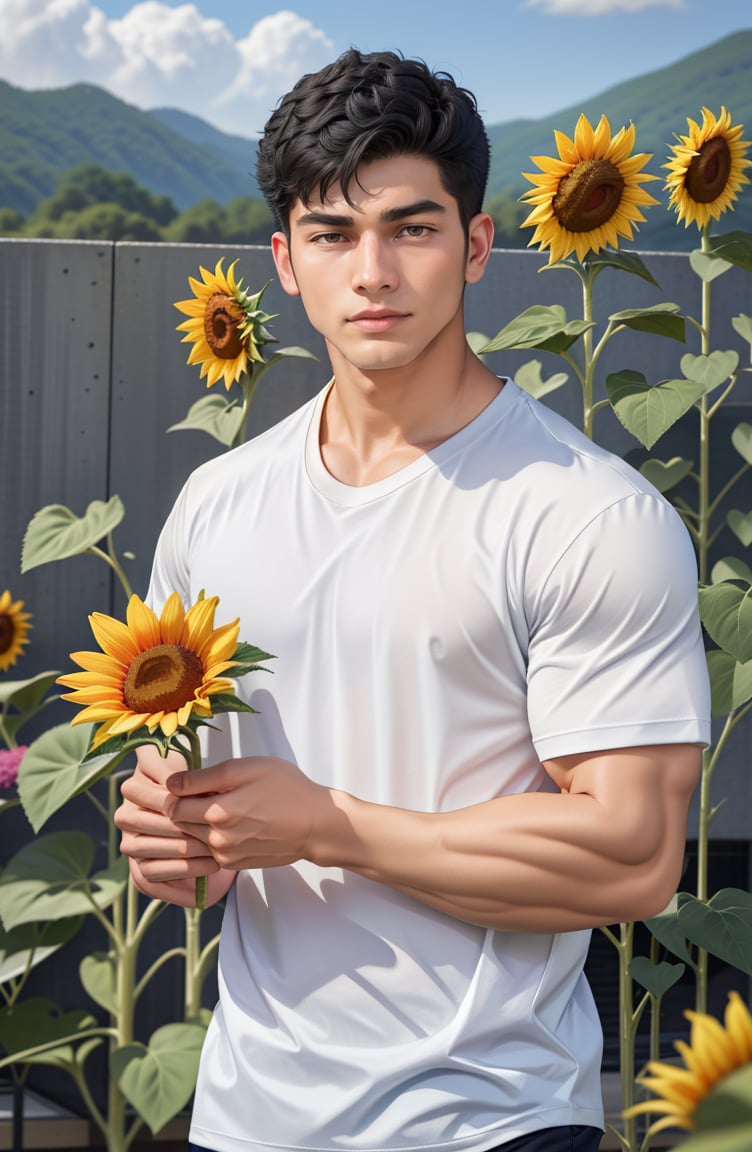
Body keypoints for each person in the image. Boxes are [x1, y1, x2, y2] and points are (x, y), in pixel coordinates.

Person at [114, 48, 711, 1152]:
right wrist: (172, 845)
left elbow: (632, 855)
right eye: (334, 234)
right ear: (285, 260)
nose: (373, 271)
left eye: (413, 227)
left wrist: (330, 826)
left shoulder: (589, 517)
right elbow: (186, 830)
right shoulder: (214, 507)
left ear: (477, 246)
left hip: (487, 1120)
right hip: (244, 1119)